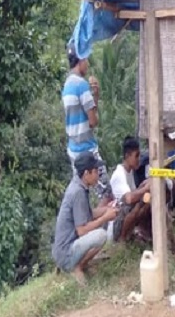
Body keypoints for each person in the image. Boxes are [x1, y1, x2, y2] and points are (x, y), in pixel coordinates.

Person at [52, 152, 119, 286]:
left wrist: (106, 209)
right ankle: (77, 267)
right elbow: (81, 231)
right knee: (101, 235)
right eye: (95, 171)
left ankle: (78, 264)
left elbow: (89, 213)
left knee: (98, 230)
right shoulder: (78, 192)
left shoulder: (78, 185)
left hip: (64, 248)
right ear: (86, 174)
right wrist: (105, 217)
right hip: (66, 253)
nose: (98, 175)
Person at [63, 44, 110, 201]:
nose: (87, 64)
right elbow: (93, 121)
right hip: (87, 149)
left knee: (82, 193)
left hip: (73, 150)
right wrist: (93, 97)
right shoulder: (81, 85)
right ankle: (105, 225)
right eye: (86, 59)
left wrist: (94, 97)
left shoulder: (67, 85)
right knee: (105, 194)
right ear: (81, 60)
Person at [109, 137, 152, 242]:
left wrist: (144, 186)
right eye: (136, 156)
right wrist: (145, 188)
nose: (139, 159)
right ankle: (121, 240)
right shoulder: (120, 174)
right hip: (116, 223)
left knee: (148, 199)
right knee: (138, 204)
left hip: (124, 214)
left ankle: (137, 232)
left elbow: (134, 193)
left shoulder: (130, 171)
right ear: (127, 156)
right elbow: (129, 198)